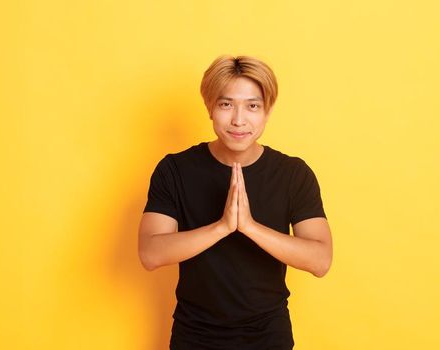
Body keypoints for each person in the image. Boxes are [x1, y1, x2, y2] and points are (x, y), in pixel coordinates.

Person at [138, 55, 333, 349]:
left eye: (252, 106)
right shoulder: (175, 170)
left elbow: (320, 260)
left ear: (267, 111)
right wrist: (222, 227)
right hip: (195, 337)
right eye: (226, 104)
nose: (239, 120)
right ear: (210, 108)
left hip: (269, 336)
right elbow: (150, 254)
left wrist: (250, 227)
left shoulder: (293, 174)